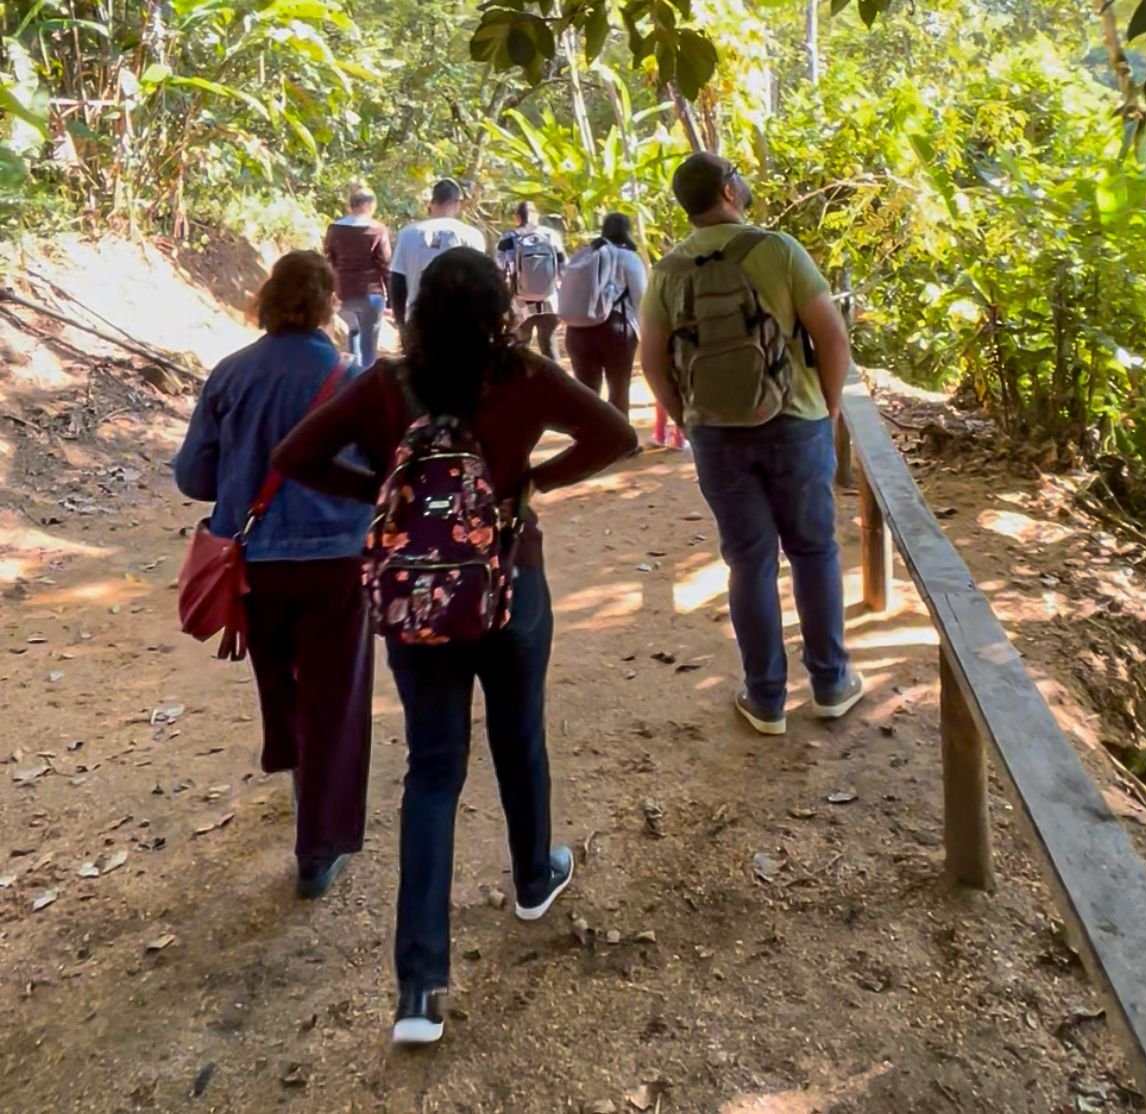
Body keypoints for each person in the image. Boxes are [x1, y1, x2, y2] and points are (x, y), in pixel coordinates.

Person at [272, 248, 636, 1045]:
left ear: (418, 311)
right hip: (511, 580)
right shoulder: (523, 377)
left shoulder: (385, 386)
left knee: (433, 771)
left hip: (416, 600)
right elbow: (617, 435)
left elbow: (291, 456)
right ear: (500, 308)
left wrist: (384, 498)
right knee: (520, 737)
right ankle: (534, 878)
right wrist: (528, 485)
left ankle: (420, 992)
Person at [639, 153, 866, 736]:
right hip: (797, 423)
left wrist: (688, 420)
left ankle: (765, 698)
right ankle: (831, 683)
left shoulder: (667, 271)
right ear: (729, 189)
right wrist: (829, 402)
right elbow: (832, 337)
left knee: (749, 562)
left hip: (717, 434)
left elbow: (653, 362)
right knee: (814, 551)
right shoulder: (779, 249)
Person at [173, 251, 373, 899]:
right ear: (326, 305)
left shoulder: (230, 374)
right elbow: (383, 472)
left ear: (265, 300)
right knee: (333, 699)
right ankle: (318, 849)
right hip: (336, 561)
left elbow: (192, 477)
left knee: (282, 688)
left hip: (253, 564)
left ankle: (301, 783)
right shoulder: (351, 379)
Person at [563, 212, 647, 419]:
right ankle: (623, 442)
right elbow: (641, 299)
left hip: (576, 331)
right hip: (615, 330)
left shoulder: (583, 254)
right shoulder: (628, 257)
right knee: (618, 389)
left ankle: (592, 440)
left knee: (586, 392)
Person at [390, 178, 486, 330]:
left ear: (432, 203)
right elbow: (481, 282)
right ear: (457, 204)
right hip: (461, 321)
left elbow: (397, 281)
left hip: (418, 320)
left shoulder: (407, 234)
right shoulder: (472, 235)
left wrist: (401, 322)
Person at [322, 182, 391, 372]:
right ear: (369, 205)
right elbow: (384, 264)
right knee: (369, 343)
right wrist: (391, 296)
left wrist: (329, 289)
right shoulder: (377, 229)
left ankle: (352, 374)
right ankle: (365, 378)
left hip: (342, 293)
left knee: (353, 330)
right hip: (371, 294)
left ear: (350, 205)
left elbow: (327, 259)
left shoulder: (334, 228)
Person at [496, 201, 566, 360]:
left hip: (520, 301)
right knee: (549, 344)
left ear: (517, 218)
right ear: (537, 216)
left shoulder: (507, 239)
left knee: (521, 346)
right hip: (549, 299)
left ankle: (521, 382)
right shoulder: (550, 235)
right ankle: (554, 382)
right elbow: (563, 268)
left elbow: (499, 269)